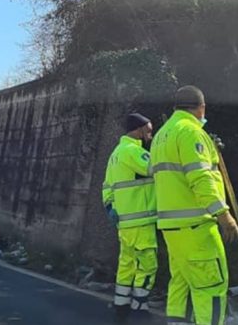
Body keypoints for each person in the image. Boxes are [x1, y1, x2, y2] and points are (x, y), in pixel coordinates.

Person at [150, 85, 238, 325]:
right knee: (211, 288)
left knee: (180, 282)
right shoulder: (191, 132)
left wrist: (211, 149)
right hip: (197, 227)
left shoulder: (161, 135)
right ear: (201, 108)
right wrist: (223, 214)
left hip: (172, 228)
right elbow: (200, 178)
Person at [102, 113, 158, 321]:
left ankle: (121, 305)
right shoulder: (134, 151)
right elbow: (156, 168)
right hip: (141, 220)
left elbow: (107, 186)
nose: (151, 136)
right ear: (140, 129)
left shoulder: (116, 153)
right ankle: (139, 308)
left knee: (127, 263)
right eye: (149, 131)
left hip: (125, 222)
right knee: (147, 265)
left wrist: (110, 207)